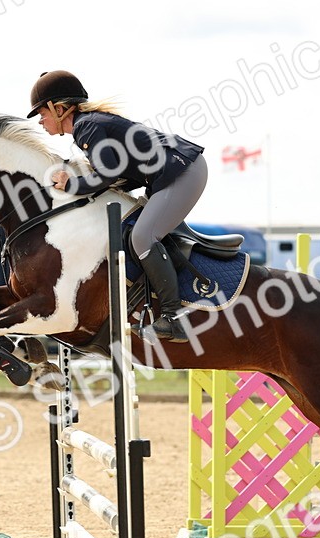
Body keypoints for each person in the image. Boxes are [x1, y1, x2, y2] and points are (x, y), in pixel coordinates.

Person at [27, 70, 206, 343]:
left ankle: (173, 317)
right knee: (139, 231)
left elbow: (107, 173)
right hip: (175, 172)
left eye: (42, 114)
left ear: (60, 109)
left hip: (182, 172)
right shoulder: (91, 124)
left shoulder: (87, 126)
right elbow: (120, 174)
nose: (41, 122)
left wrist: (70, 185)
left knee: (143, 237)